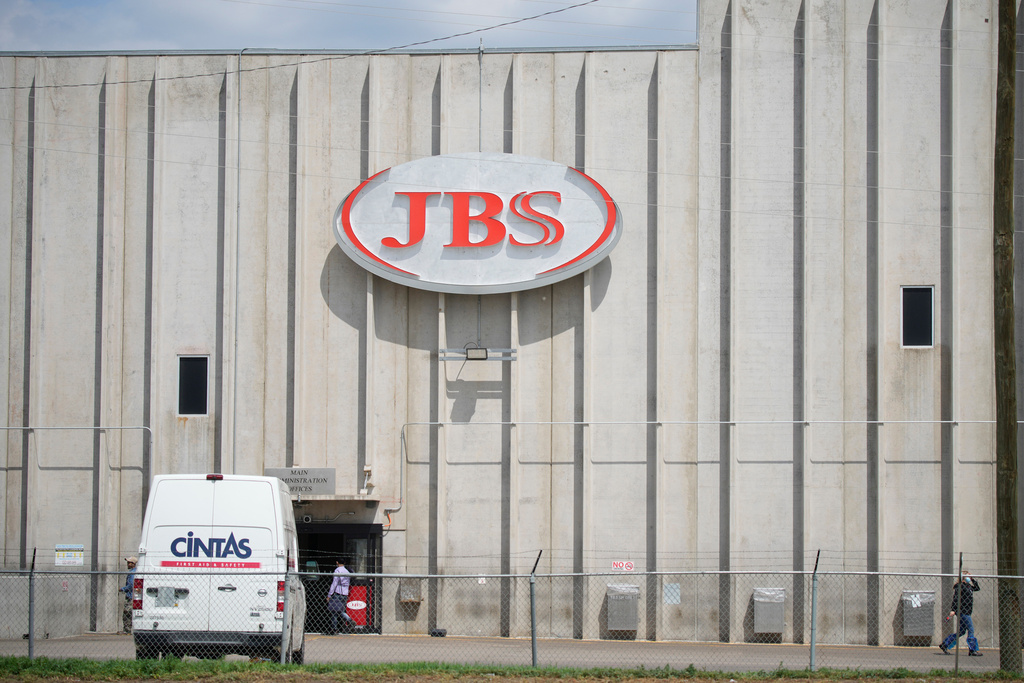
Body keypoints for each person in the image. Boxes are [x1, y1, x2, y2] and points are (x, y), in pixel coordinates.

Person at [939, 570, 981, 656]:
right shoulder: (960, 586)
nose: (970, 577)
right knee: (971, 629)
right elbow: (956, 598)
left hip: (968, 611)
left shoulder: (969, 586)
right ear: (963, 577)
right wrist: (953, 610)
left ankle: (945, 644)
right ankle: (972, 650)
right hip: (963, 611)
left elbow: (977, 588)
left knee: (961, 632)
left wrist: (972, 580)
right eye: (968, 576)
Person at [326, 559, 354, 634]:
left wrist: (329, 594)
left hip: (338, 593)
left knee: (334, 612)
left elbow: (334, 583)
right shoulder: (347, 571)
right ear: (344, 563)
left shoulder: (337, 571)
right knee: (340, 610)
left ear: (337, 562)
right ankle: (349, 620)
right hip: (345, 593)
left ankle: (334, 629)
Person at [119, 556, 137, 633]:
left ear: (133, 564)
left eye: (129, 563)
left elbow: (131, 585)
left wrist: (122, 589)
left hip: (131, 596)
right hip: (132, 595)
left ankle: (127, 630)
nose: (128, 564)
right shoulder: (134, 571)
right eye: (128, 562)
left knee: (127, 613)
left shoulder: (132, 573)